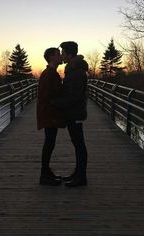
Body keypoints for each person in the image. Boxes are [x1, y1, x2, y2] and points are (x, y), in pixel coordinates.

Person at [53, 41, 88, 187]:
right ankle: (78, 174)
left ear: (69, 53)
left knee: (79, 145)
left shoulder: (77, 72)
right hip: (73, 113)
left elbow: (74, 96)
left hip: (76, 113)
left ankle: (81, 177)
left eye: (63, 53)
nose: (61, 55)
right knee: (77, 144)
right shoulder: (73, 70)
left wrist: (56, 103)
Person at [37, 47, 65, 186]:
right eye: (58, 54)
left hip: (50, 113)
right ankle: (44, 175)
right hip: (49, 114)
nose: (61, 57)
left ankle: (47, 172)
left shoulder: (51, 73)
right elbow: (48, 96)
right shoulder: (49, 74)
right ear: (52, 57)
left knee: (50, 142)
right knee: (49, 143)